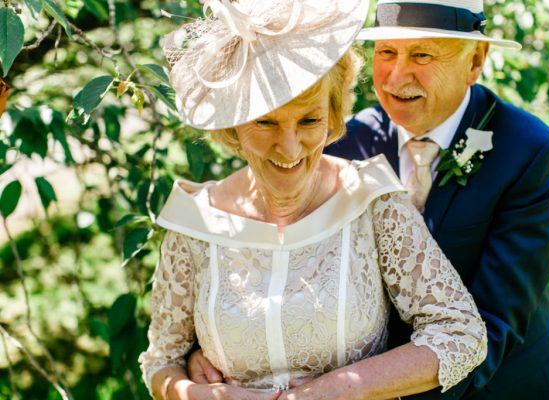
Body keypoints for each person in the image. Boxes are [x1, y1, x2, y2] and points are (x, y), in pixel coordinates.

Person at [188, 0, 549, 399]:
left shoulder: (528, 151)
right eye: (386, 52)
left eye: (421, 54)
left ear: (475, 60)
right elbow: (286, 269)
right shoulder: (345, 143)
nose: (396, 74)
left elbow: (494, 323)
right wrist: (222, 350)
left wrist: (376, 389)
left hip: (503, 387)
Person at [139, 0, 488, 399]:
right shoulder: (195, 223)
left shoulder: (372, 201)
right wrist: (195, 393)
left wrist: (338, 389)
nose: (289, 148)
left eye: (308, 120)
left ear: (334, 113)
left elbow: (461, 334)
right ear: (234, 122)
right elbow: (160, 361)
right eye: (265, 121)